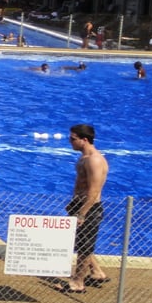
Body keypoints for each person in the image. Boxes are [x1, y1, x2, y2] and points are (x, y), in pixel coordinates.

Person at [62, 124, 109, 293]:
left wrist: (82, 213)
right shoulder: (84, 158)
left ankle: (78, 283)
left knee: (84, 246)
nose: (70, 142)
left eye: (73, 139)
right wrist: (73, 203)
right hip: (79, 204)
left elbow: (94, 191)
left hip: (89, 208)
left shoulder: (94, 160)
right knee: (79, 241)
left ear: (84, 140)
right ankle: (96, 272)